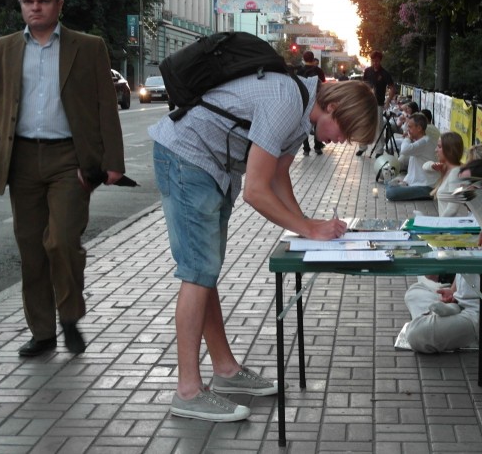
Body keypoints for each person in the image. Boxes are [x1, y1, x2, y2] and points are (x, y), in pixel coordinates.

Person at [148, 77, 377, 423]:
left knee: (205, 271)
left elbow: (277, 175)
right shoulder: (286, 100)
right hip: (187, 157)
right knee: (197, 272)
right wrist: (307, 228)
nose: (341, 141)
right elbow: (256, 190)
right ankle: (188, 392)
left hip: (210, 165)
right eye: (344, 130)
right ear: (332, 107)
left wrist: (305, 225)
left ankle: (225, 369)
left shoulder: (302, 114)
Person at [0, 0, 125, 357]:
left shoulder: (88, 47)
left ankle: (69, 317)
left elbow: (105, 106)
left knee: (62, 241)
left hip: (70, 159)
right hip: (21, 162)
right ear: (20, 4)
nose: (35, 7)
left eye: (43, 1)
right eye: (28, 1)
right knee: (32, 250)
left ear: (59, 5)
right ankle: (42, 332)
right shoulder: (4, 48)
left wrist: (112, 162)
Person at [404, 157, 482, 354]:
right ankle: (443, 316)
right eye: (460, 185)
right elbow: (466, 268)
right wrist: (453, 292)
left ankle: (436, 320)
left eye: (467, 186)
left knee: (417, 334)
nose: (461, 191)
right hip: (463, 304)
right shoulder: (471, 219)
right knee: (415, 292)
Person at [386, 113, 437, 201]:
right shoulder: (422, 140)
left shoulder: (424, 142)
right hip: (418, 184)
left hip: (426, 186)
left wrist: (408, 138)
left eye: (410, 127)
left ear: (419, 128)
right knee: (390, 182)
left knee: (390, 192)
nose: (407, 130)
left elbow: (404, 150)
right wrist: (405, 181)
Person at [356, 50, 395, 157]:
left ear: (380, 60)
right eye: (373, 61)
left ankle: (379, 150)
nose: (375, 63)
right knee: (364, 125)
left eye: (377, 61)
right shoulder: (367, 71)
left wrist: (388, 101)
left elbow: (392, 88)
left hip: (379, 103)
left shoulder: (385, 73)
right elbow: (364, 85)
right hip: (367, 103)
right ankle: (362, 147)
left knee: (378, 127)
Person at [422, 131, 467, 217]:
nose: (436, 150)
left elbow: (452, 209)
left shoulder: (455, 173)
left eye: (439, 147)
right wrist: (432, 166)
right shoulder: (447, 169)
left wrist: (438, 225)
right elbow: (424, 167)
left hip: (452, 227)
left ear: (449, 150)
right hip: (448, 225)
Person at [297, 50, 326, 155]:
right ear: (313, 59)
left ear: (304, 59)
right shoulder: (318, 71)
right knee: (317, 123)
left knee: (304, 123)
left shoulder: (299, 71)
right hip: (317, 100)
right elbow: (323, 84)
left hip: (304, 101)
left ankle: (306, 148)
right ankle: (318, 146)